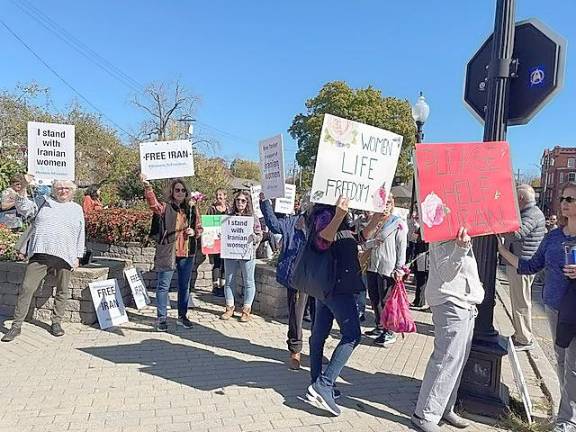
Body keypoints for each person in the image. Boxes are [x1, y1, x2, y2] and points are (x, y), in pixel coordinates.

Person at [498, 182, 576, 432]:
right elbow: (531, 265)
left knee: (573, 367)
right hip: (554, 307)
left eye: (571, 199)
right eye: (563, 198)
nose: (564, 202)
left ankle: (567, 421)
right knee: (562, 363)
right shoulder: (553, 237)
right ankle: (567, 413)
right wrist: (500, 249)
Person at [305, 196, 384, 416]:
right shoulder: (325, 214)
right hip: (336, 285)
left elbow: (355, 239)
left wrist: (377, 217)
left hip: (330, 285)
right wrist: (339, 214)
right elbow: (321, 242)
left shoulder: (340, 215)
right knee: (352, 335)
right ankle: (324, 384)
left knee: (319, 335)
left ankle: (316, 384)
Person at [411, 228, 484, 432]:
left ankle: (443, 407)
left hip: (464, 302)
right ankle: (424, 413)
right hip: (450, 300)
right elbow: (446, 273)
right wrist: (460, 248)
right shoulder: (442, 231)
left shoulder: (459, 232)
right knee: (446, 358)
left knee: (458, 359)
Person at [1, 179, 85, 342]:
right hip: (40, 253)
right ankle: (16, 325)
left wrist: (78, 256)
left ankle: (56, 322)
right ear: (53, 189)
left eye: (66, 188)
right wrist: (24, 186)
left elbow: (81, 233)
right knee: (26, 288)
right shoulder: (41, 202)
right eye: (59, 188)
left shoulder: (77, 209)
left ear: (73, 190)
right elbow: (23, 207)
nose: (63, 191)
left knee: (62, 290)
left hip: (65, 255)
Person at [141, 175, 203, 332]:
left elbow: (200, 228)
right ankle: (161, 318)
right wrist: (148, 188)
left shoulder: (192, 208)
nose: (180, 192)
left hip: (187, 252)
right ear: (172, 191)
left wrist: (194, 231)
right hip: (169, 251)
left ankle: (182, 316)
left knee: (184, 286)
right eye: (177, 190)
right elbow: (153, 205)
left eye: (183, 190)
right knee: (163, 286)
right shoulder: (165, 207)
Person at [259, 191, 310, 369]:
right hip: (297, 276)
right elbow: (273, 225)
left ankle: (317, 349)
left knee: (319, 316)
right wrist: (265, 203)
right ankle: (295, 350)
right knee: (296, 314)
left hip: (319, 277)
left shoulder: (325, 223)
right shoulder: (293, 222)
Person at [502, 184, 546, 351]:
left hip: (522, 264)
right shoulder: (532, 213)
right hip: (522, 262)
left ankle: (524, 338)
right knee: (520, 299)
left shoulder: (531, 214)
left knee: (521, 301)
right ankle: (520, 333)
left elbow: (516, 233)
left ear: (521, 199)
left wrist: (500, 227)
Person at [363, 194, 407, 346]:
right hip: (372, 265)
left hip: (387, 267)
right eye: (383, 202)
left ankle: (389, 331)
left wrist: (399, 268)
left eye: (389, 202)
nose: (386, 205)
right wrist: (372, 242)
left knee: (385, 301)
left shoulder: (398, 223)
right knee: (374, 299)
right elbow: (364, 243)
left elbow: (401, 247)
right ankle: (379, 325)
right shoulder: (374, 221)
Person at [220, 191, 262, 322]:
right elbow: (221, 231)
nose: (240, 202)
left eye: (243, 200)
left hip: (247, 253)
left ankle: (246, 310)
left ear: (247, 202)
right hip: (230, 252)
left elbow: (259, 234)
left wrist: (254, 238)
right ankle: (229, 307)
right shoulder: (228, 217)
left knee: (248, 281)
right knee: (229, 280)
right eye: (238, 200)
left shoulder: (253, 217)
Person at [207, 188, 229, 297]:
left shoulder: (229, 209)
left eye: (220, 195)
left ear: (225, 196)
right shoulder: (211, 209)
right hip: (215, 240)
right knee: (216, 263)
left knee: (225, 263)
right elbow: (208, 225)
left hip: (227, 240)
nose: (218, 197)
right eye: (217, 195)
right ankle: (215, 286)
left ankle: (223, 285)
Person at [410, 222, 429, 310]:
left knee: (422, 280)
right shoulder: (421, 228)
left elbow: (415, 240)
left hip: (423, 256)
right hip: (420, 256)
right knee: (420, 279)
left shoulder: (424, 230)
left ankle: (420, 301)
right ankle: (418, 300)